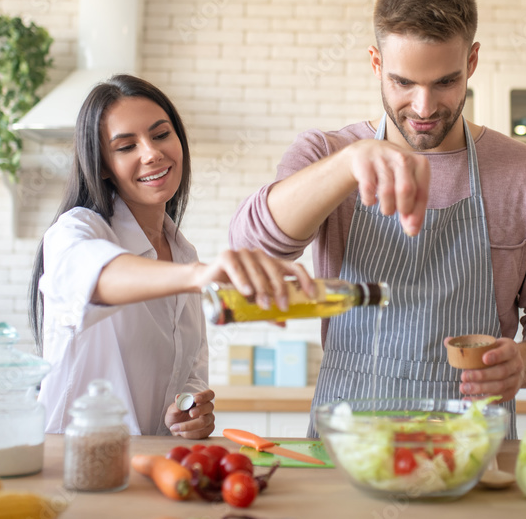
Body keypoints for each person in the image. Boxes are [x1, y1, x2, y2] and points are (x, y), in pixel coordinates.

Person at [229, 0, 526, 437]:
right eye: (403, 83)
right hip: (348, 443)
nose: (423, 107)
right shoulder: (325, 153)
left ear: (472, 62)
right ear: (376, 63)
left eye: (445, 82)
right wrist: (349, 164)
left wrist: (525, 363)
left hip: (473, 444)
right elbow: (251, 247)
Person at [29, 74, 313, 437]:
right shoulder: (76, 231)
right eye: (126, 146)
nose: (151, 153)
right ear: (102, 166)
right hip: (76, 465)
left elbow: (190, 370)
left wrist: (190, 412)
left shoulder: (183, 253)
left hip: (148, 470)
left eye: (161, 135)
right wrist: (199, 275)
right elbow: (95, 278)